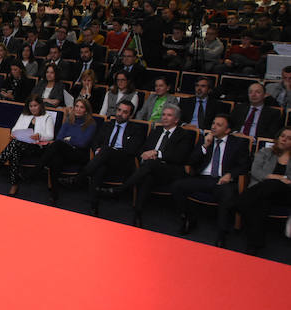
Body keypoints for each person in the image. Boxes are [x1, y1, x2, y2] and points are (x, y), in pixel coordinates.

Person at [98, 104, 195, 227]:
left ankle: (120, 189)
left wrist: (157, 153)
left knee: (151, 165)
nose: (164, 117)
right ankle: (137, 214)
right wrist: (144, 154)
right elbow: (142, 149)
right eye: (163, 114)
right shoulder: (157, 131)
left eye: (169, 115)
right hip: (151, 168)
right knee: (148, 176)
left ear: (176, 120)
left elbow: (179, 157)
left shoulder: (184, 135)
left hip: (171, 170)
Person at [170, 115, 249, 246]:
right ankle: (188, 218)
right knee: (177, 186)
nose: (213, 127)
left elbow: (245, 165)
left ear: (227, 130)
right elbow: (191, 161)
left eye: (219, 125)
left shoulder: (238, 143)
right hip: (203, 178)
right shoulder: (205, 139)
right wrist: (205, 146)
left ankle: (222, 232)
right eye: (213, 123)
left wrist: (230, 174)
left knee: (227, 194)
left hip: (222, 180)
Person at [71, 99, 148, 217]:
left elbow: (132, 150)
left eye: (124, 112)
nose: (120, 114)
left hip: (123, 161)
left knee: (106, 150)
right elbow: (95, 141)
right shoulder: (107, 125)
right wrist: (97, 150)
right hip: (103, 159)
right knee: (99, 167)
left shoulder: (136, 129)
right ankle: (93, 206)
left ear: (130, 115)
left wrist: (109, 152)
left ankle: (80, 177)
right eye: (119, 110)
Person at [234, 127, 291, 254]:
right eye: (282, 136)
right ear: (278, 137)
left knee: (272, 185)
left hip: (285, 194)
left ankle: (241, 201)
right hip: (262, 193)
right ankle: (254, 243)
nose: (284, 139)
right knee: (262, 203)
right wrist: (278, 177)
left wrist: (275, 179)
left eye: (289, 138)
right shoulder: (266, 152)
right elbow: (255, 172)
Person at [0, 94, 56, 196]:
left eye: (35, 105)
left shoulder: (47, 117)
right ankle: (14, 184)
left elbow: (50, 136)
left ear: (40, 105)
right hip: (21, 144)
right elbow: (14, 129)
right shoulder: (24, 115)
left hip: (36, 147)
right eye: (31, 106)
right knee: (15, 151)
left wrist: (39, 136)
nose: (33, 108)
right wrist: (14, 134)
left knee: (14, 146)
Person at [38, 98, 98, 204]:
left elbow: (82, 143)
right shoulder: (69, 120)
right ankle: (54, 193)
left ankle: (38, 168)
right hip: (65, 150)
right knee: (56, 158)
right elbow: (60, 137)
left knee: (56, 146)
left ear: (86, 110)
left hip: (80, 154)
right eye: (77, 106)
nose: (78, 109)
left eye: (82, 107)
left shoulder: (91, 124)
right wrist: (70, 140)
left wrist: (69, 139)